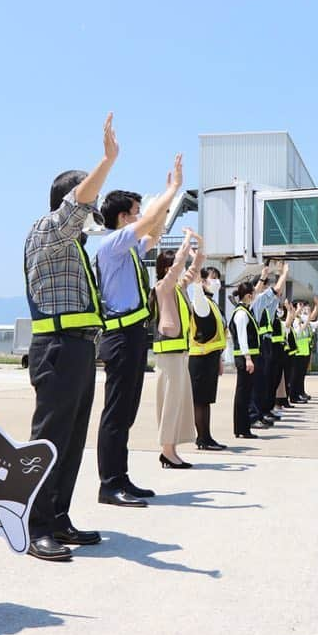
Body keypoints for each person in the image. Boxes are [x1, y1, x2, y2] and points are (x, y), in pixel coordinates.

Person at [23, 113, 119, 562]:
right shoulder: (50, 230)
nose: (95, 208)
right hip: (58, 349)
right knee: (51, 438)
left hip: (79, 348)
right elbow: (77, 204)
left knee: (72, 438)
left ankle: (58, 517)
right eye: (91, 197)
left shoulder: (75, 246)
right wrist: (107, 160)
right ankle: (35, 523)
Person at [93, 154, 185, 506]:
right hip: (118, 337)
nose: (139, 217)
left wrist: (167, 199)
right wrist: (173, 188)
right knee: (116, 412)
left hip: (132, 335)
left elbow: (155, 227)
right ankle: (109, 484)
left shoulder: (128, 249)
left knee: (126, 411)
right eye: (134, 212)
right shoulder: (113, 244)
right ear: (122, 218)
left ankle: (122, 478)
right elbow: (149, 222)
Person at [151, 229, 205, 468]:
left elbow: (193, 271)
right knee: (170, 402)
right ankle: (166, 450)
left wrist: (199, 250)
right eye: (174, 265)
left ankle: (171, 449)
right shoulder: (163, 287)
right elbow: (179, 268)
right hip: (169, 353)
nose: (180, 269)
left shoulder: (178, 289)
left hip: (179, 353)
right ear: (166, 268)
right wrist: (186, 242)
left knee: (179, 402)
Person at [188, 266, 227, 450]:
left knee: (206, 401)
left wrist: (219, 359)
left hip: (210, 358)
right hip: (200, 359)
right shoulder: (201, 301)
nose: (217, 281)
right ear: (203, 282)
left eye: (218, 278)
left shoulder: (213, 304)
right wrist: (196, 284)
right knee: (201, 401)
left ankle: (207, 436)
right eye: (213, 278)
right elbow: (198, 299)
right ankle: (202, 439)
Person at [250, 261, 289, 428]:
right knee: (259, 382)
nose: (267, 288)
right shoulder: (256, 302)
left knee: (267, 380)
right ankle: (256, 414)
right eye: (264, 285)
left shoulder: (266, 305)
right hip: (260, 344)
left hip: (267, 344)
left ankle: (264, 410)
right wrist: (283, 273)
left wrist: (281, 276)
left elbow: (276, 293)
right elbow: (275, 290)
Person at [228, 281, 262, 439]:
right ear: (249, 295)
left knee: (245, 393)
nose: (254, 296)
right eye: (253, 294)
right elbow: (242, 338)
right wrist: (248, 358)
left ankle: (241, 428)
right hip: (245, 358)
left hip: (247, 357)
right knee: (243, 394)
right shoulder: (241, 313)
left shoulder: (245, 311)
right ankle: (242, 428)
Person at [289, 297, 318, 403]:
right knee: (295, 376)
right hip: (297, 352)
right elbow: (300, 330)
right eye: (300, 306)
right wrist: (313, 311)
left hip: (304, 352)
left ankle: (300, 393)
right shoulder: (296, 320)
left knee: (301, 375)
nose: (303, 309)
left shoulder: (304, 320)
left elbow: (316, 321)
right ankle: (294, 395)